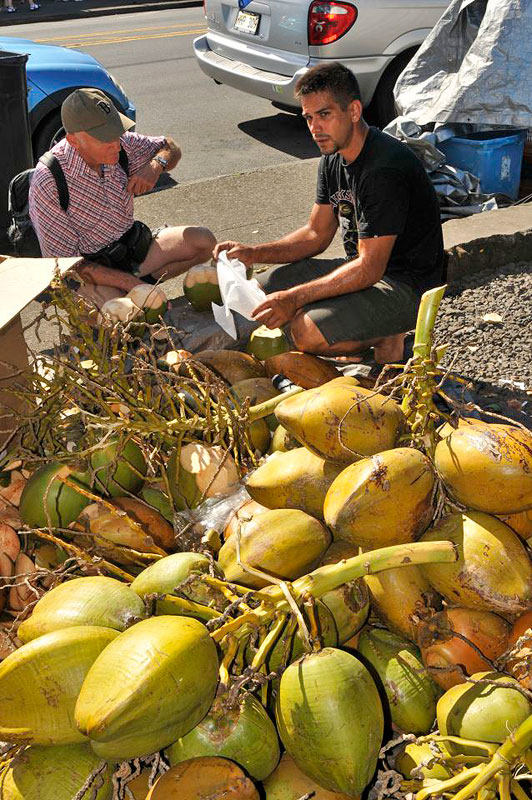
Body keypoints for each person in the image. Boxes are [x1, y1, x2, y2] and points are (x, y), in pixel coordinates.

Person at [214, 63, 445, 364]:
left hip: (406, 287)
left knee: (306, 331)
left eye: (324, 115)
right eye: (308, 117)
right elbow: (315, 234)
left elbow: (369, 269)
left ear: (353, 111)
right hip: (363, 268)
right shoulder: (333, 156)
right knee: (263, 289)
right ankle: (351, 329)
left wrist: (296, 298)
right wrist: (253, 252)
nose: (314, 128)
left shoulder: (384, 169)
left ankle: (391, 335)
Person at [29, 88, 216, 307]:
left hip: (132, 247)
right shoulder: (48, 180)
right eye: (104, 139)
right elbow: (65, 264)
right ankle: (130, 294)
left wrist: (156, 165)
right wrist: (129, 282)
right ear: (74, 140)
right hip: (88, 268)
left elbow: (170, 147)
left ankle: (139, 291)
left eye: (116, 132)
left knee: (205, 241)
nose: (116, 144)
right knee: (117, 316)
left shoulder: (122, 143)